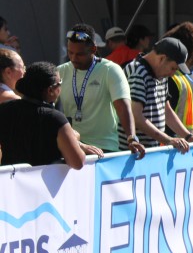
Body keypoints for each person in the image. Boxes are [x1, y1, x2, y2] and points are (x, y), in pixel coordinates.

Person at [56, 24, 145, 157]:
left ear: (93, 49)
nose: (73, 58)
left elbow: (123, 107)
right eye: (70, 53)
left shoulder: (110, 70)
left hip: (104, 148)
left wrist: (131, 138)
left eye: (80, 54)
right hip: (74, 147)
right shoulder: (61, 71)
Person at [0, 62, 104, 168]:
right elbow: (77, 163)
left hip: (9, 177)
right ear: (50, 90)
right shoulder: (55, 118)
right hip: (44, 178)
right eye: (60, 82)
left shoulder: (4, 109)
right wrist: (75, 139)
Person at [121, 37, 193, 152]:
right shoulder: (138, 73)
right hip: (133, 152)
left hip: (149, 150)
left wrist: (188, 136)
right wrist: (168, 140)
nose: (172, 74)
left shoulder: (160, 74)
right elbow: (136, 116)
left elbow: (166, 110)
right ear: (162, 58)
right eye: (173, 68)